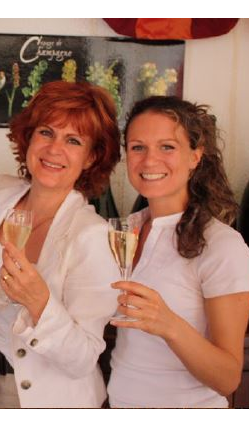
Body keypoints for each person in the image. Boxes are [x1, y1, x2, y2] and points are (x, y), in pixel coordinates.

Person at [0, 80, 122, 407]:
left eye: (73, 140)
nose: (54, 149)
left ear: (91, 158)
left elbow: (83, 359)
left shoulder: (93, 235)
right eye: (46, 132)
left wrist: (40, 303)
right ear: (29, 137)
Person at [108, 96, 249, 407]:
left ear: (195, 157)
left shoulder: (222, 245)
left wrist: (168, 324)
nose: (149, 160)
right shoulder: (125, 230)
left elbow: (228, 378)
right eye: (138, 147)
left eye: (167, 147)